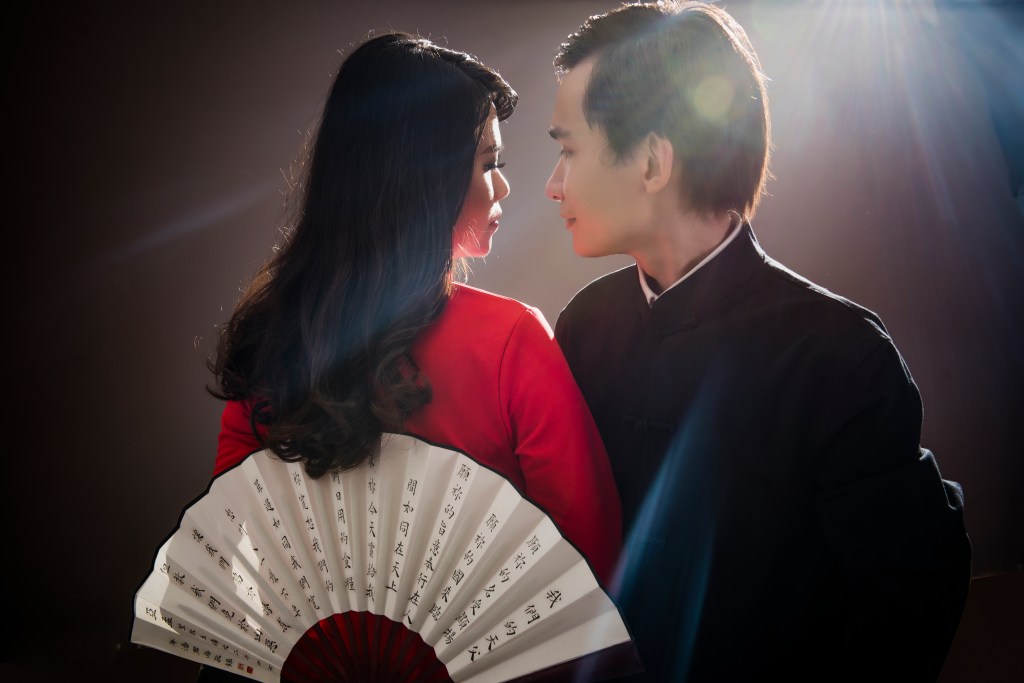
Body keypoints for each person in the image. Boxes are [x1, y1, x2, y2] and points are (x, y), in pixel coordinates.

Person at [545, 2, 971, 681]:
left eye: (568, 150)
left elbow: (910, 596)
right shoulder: (583, 326)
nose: (553, 184)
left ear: (652, 161)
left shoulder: (838, 354)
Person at [201, 32, 621, 679]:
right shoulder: (512, 340)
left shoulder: (275, 339)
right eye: (487, 162)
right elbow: (588, 561)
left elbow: (235, 561)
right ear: (425, 179)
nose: (504, 186)